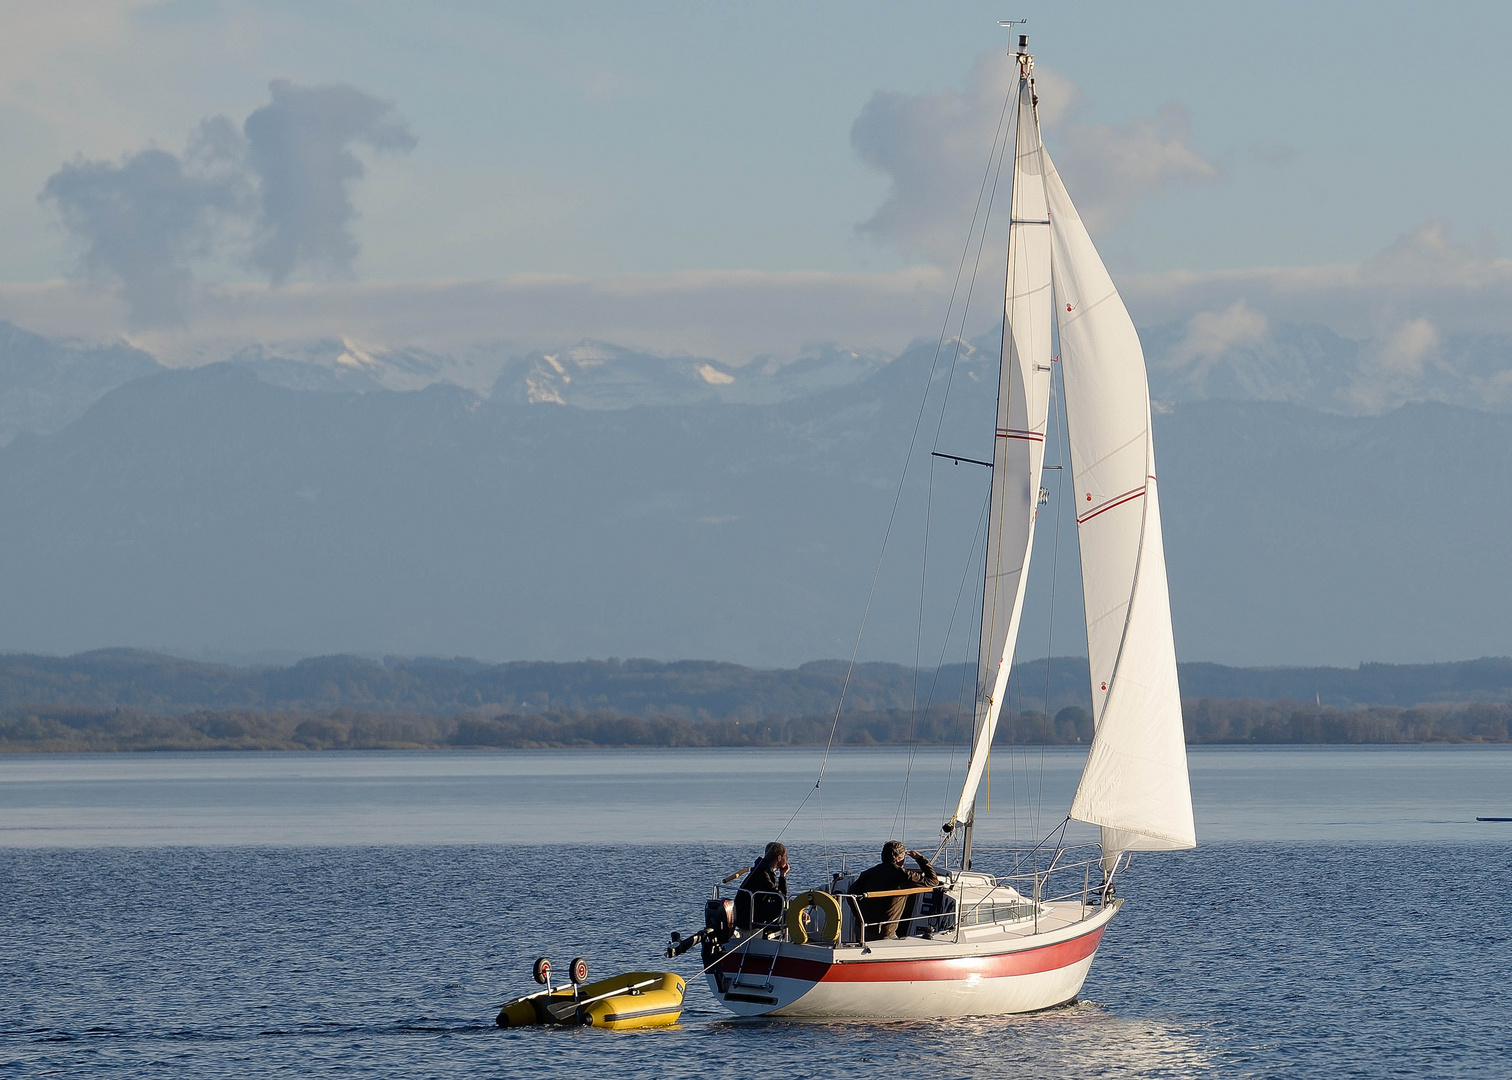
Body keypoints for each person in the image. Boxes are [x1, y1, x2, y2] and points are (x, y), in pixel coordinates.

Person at [850, 840, 939, 939]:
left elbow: (850, 895)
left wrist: (859, 917)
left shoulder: (868, 873)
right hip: (885, 932)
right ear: (898, 859)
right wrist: (919, 858)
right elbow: (933, 881)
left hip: (862, 928)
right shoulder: (903, 875)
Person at [735, 841, 789, 931]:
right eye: (786, 857)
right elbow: (780, 897)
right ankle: (773, 934)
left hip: (753, 910)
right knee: (781, 906)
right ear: (779, 858)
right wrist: (795, 907)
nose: (787, 860)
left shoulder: (763, 869)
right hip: (746, 916)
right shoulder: (762, 873)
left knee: (782, 905)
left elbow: (780, 895)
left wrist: (782, 875)